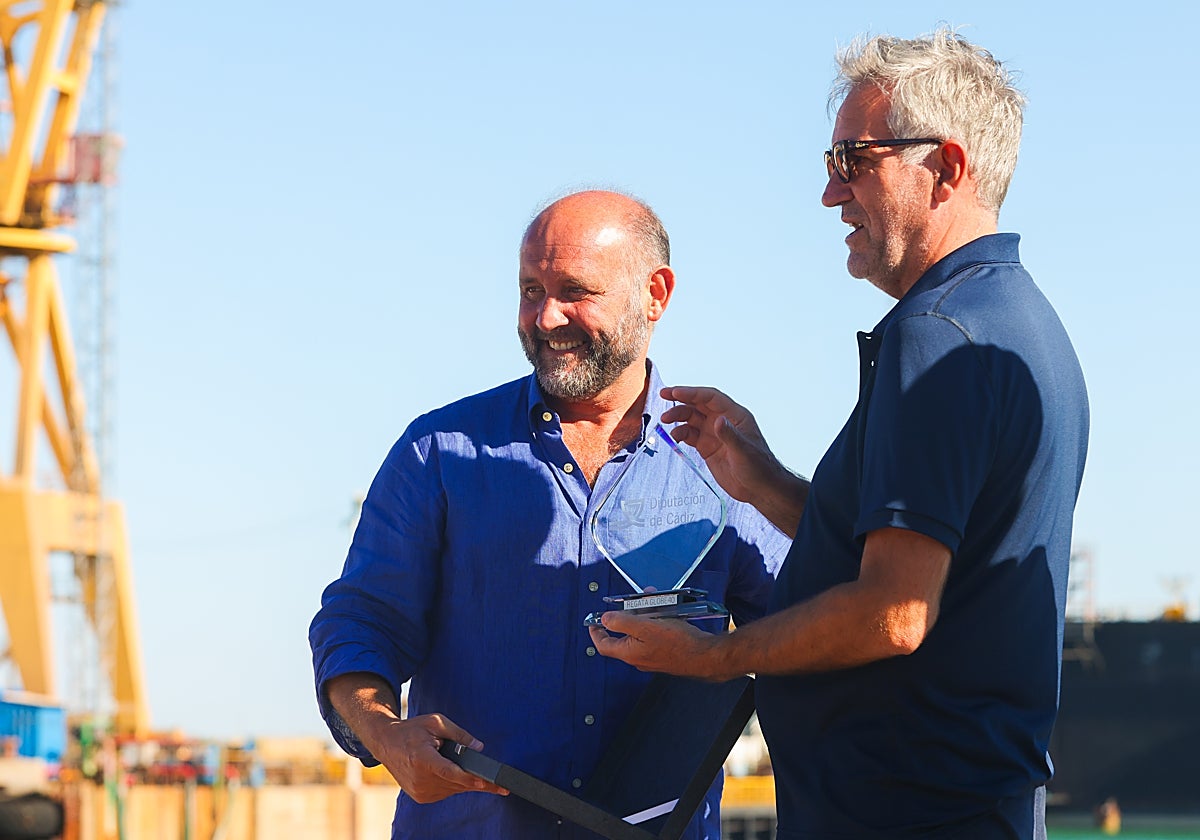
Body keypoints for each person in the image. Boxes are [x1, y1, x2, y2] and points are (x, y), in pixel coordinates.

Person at [590, 29, 1090, 840]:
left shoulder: (938, 338)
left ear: (947, 169)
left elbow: (895, 611)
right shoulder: (1016, 325)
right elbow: (918, 559)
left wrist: (715, 655)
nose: (831, 194)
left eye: (854, 161)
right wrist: (764, 482)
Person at [309, 189, 789, 839]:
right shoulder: (440, 454)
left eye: (574, 291)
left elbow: (807, 634)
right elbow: (361, 623)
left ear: (657, 293)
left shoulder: (723, 464)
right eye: (530, 290)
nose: (546, 316)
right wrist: (384, 733)